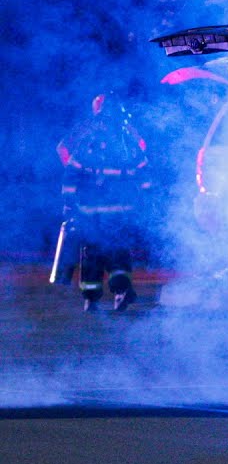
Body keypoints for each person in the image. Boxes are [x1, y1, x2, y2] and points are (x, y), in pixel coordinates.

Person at [57, 93, 151, 311]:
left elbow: (70, 166)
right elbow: (143, 166)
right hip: (121, 208)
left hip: (90, 209)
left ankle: (91, 298)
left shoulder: (87, 136)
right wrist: (147, 197)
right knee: (119, 251)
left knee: (92, 252)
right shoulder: (127, 137)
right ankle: (121, 291)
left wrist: (69, 202)